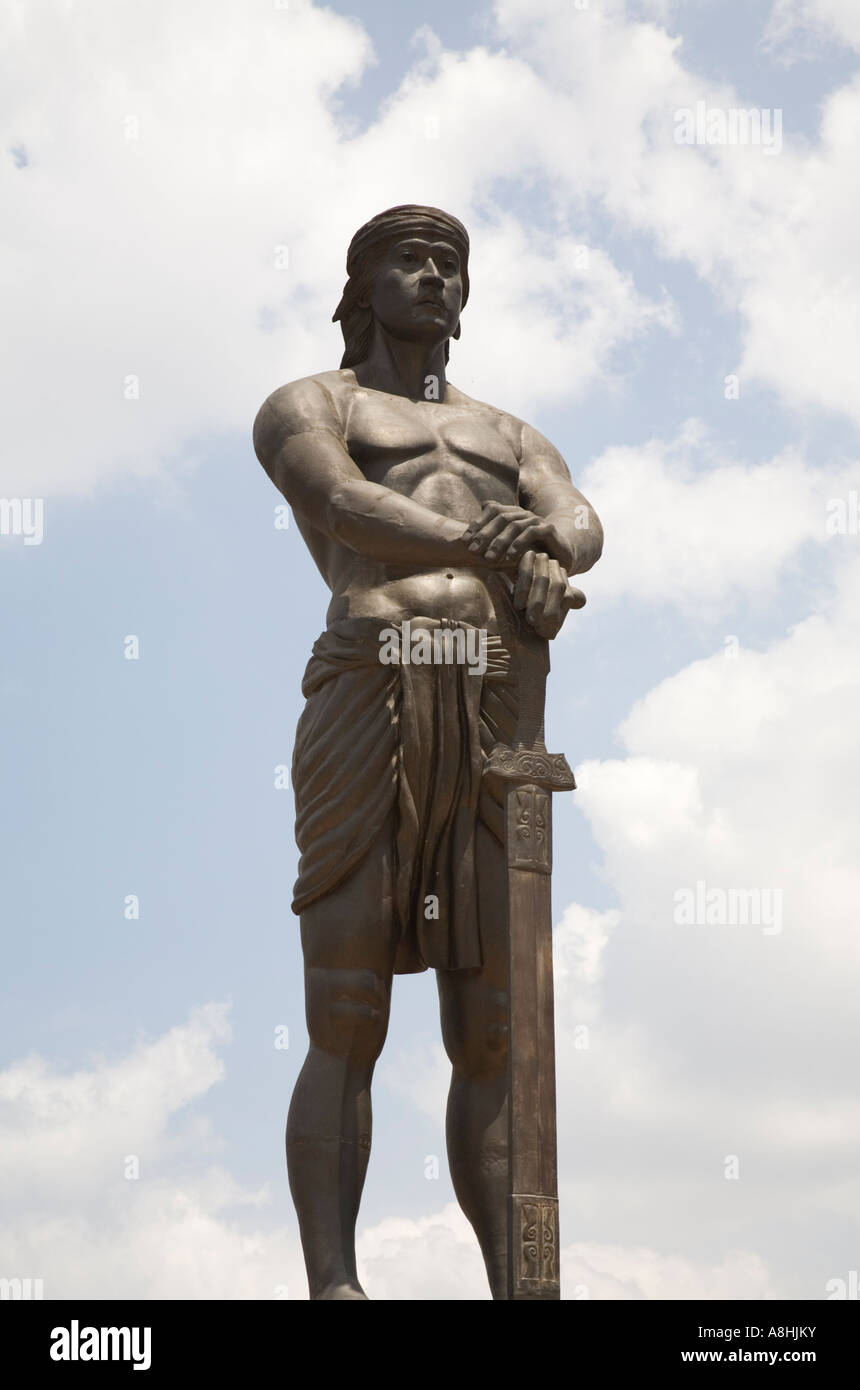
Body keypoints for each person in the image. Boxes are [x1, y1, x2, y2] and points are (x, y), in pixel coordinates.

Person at [253, 205, 603, 1299]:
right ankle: (333, 1283)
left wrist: (543, 550)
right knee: (348, 1004)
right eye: (408, 260)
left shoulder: (508, 432)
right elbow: (341, 502)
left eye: (450, 262)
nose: (434, 276)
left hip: (499, 706)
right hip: (373, 681)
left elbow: (581, 523)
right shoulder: (312, 403)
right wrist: (488, 540)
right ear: (358, 289)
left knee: (496, 1025)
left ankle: (519, 1282)